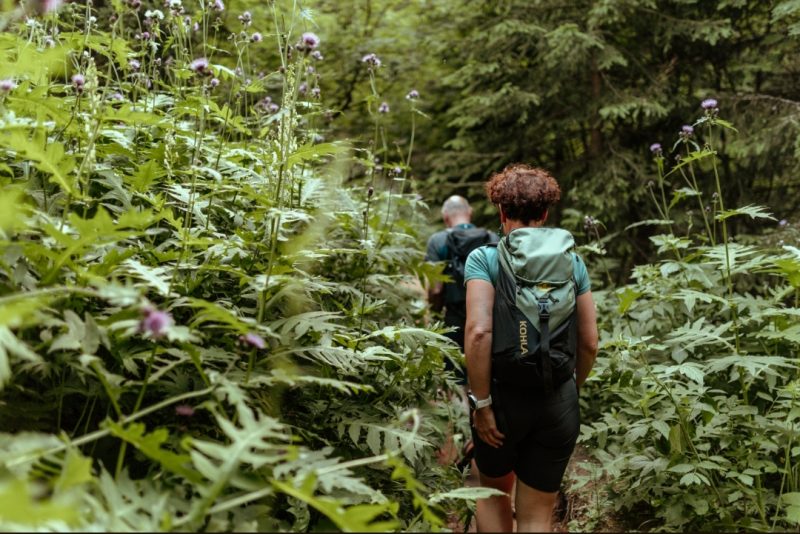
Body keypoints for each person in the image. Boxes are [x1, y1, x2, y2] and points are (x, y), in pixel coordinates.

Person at [463, 164, 599, 532]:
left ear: (502, 213)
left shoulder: (484, 259)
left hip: (502, 404)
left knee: (492, 495)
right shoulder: (573, 262)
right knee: (537, 515)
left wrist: (482, 404)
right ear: (545, 214)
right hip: (557, 399)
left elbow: (478, 333)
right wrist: (570, 388)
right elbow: (589, 342)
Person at [425, 195, 498, 382]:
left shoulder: (437, 241)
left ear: (445, 217)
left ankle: (459, 410)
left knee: (455, 378)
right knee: (487, 377)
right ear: (470, 213)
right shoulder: (491, 238)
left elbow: (435, 289)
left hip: (454, 319)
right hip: (489, 319)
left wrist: (434, 312)